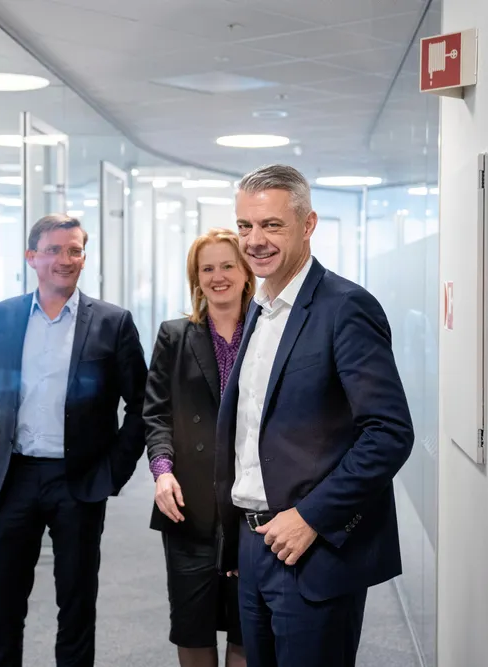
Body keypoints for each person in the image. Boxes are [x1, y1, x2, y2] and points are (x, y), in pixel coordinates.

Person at [214, 165, 414, 667]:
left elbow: (388, 433)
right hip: (253, 544)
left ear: (308, 225)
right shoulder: (260, 306)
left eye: (271, 225)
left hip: (313, 547)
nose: (255, 240)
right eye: (245, 226)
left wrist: (311, 518)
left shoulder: (345, 307)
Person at [0, 214, 147, 667]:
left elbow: (142, 404)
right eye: (54, 250)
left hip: (79, 481)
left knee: (76, 603)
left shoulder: (113, 322)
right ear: (32, 257)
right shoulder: (3, 317)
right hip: (14, 478)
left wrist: (113, 470)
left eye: (75, 250)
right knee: (2, 602)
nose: (65, 259)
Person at [143, 228, 255, 667]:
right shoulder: (175, 335)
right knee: (192, 624)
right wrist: (162, 471)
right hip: (188, 501)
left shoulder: (268, 332)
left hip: (252, 503)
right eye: (207, 268)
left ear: (246, 272)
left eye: (228, 265)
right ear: (196, 278)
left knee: (248, 627)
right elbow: (156, 413)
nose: (218, 276)